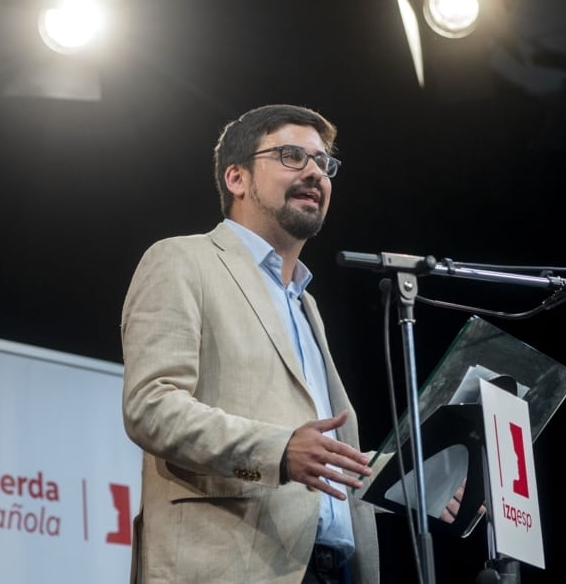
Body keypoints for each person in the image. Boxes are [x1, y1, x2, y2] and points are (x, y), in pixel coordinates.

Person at [121, 104, 379, 584]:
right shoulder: (182, 260)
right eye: (290, 156)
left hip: (333, 567)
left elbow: (318, 449)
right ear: (236, 178)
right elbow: (152, 407)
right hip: (230, 564)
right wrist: (278, 450)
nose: (314, 173)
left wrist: (409, 478)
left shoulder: (306, 305)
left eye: (323, 163)